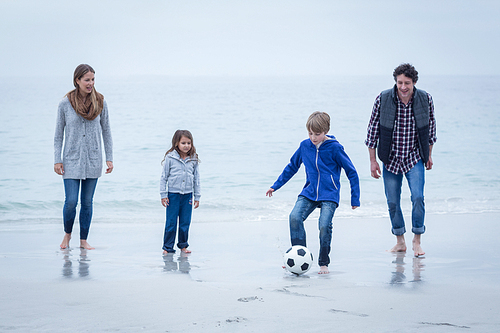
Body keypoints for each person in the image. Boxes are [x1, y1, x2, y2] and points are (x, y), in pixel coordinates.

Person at [266, 112, 360, 274]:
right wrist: (276, 185)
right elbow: (292, 167)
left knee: (324, 225)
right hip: (309, 192)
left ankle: (324, 262)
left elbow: (351, 172)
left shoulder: (335, 148)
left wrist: (355, 198)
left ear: (325, 131)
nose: (313, 137)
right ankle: (297, 258)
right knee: (294, 217)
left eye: (317, 134)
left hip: (329, 194)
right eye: (310, 133)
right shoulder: (304, 146)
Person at [365, 63, 437, 257]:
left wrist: (428, 155)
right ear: (395, 82)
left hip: (414, 157)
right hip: (391, 158)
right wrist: (373, 161)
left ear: (414, 82)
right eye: (400, 83)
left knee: (418, 197)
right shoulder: (383, 99)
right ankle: (400, 241)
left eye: (407, 83)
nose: (403, 87)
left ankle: (417, 240)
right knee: (393, 202)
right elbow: (372, 131)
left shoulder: (425, 99)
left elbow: (431, 131)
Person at [54, 64, 113, 250]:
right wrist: (57, 159)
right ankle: (67, 235)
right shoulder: (65, 104)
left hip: (93, 159)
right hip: (71, 160)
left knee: (87, 202)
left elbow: (107, 132)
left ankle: (83, 240)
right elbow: (58, 135)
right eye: (87, 80)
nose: (90, 83)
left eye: (93, 79)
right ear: (77, 80)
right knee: (71, 201)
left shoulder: (100, 102)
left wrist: (109, 157)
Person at [160, 130, 201, 255]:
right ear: (177, 143)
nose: (186, 146)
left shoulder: (193, 159)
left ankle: (183, 246)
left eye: (189, 143)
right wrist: (163, 195)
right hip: (173, 195)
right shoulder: (170, 158)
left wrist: (197, 196)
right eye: (183, 143)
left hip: (188, 195)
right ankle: (167, 247)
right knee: (171, 222)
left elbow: (197, 179)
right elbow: (164, 177)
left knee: (185, 222)